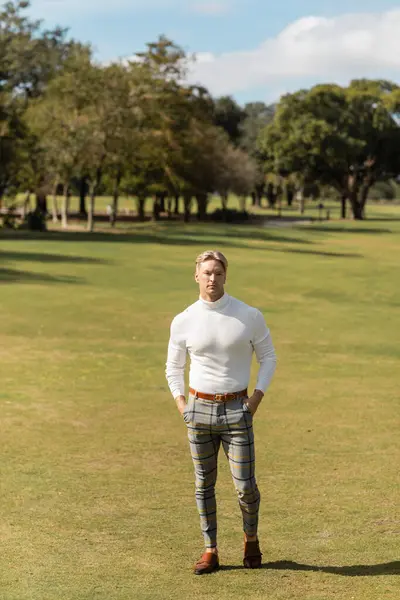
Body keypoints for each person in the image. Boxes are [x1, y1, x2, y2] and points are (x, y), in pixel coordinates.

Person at [166, 250, 277, 575]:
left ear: (225, 276)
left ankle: (251, 539)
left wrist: (256, 399)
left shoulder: (248, 315)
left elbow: (269, 357)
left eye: (217, 272)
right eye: (207, 273)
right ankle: (210, 550)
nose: (212, 278)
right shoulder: (184, 319)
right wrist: (182, 405)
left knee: (245, 486)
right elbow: (173, 367)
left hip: (237, 410)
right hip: (198, 411)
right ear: (196, 276)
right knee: (204, 484)